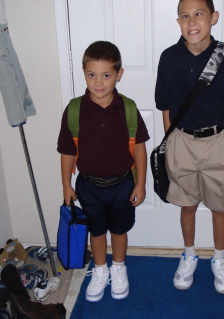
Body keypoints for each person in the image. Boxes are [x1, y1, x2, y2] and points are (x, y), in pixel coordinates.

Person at [154, 0, 224, 294]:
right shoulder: (169, 58)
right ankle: (190, 253)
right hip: (182, 141)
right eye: (184, 15)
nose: (192, 21)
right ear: (178, 22)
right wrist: (170, 144)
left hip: (218, 139)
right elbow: (166, 107)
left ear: (213, 18)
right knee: (189, 205)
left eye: (199, 14)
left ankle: (219, 259)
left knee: (219, 207)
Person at [57, 41, 149, 302]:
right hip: (88, 186)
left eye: (106, 75)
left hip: (122, 184)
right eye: (91, 75)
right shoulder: (74, 110)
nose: (98, 82)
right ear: (84, 73)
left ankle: (118, 269)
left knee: (119, 230)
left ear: (119, 75)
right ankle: (100, 270)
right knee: (96, 231)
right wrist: (66, 184)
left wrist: (140, 183)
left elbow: (140, 149)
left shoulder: (128, 109)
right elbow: (67, 151)